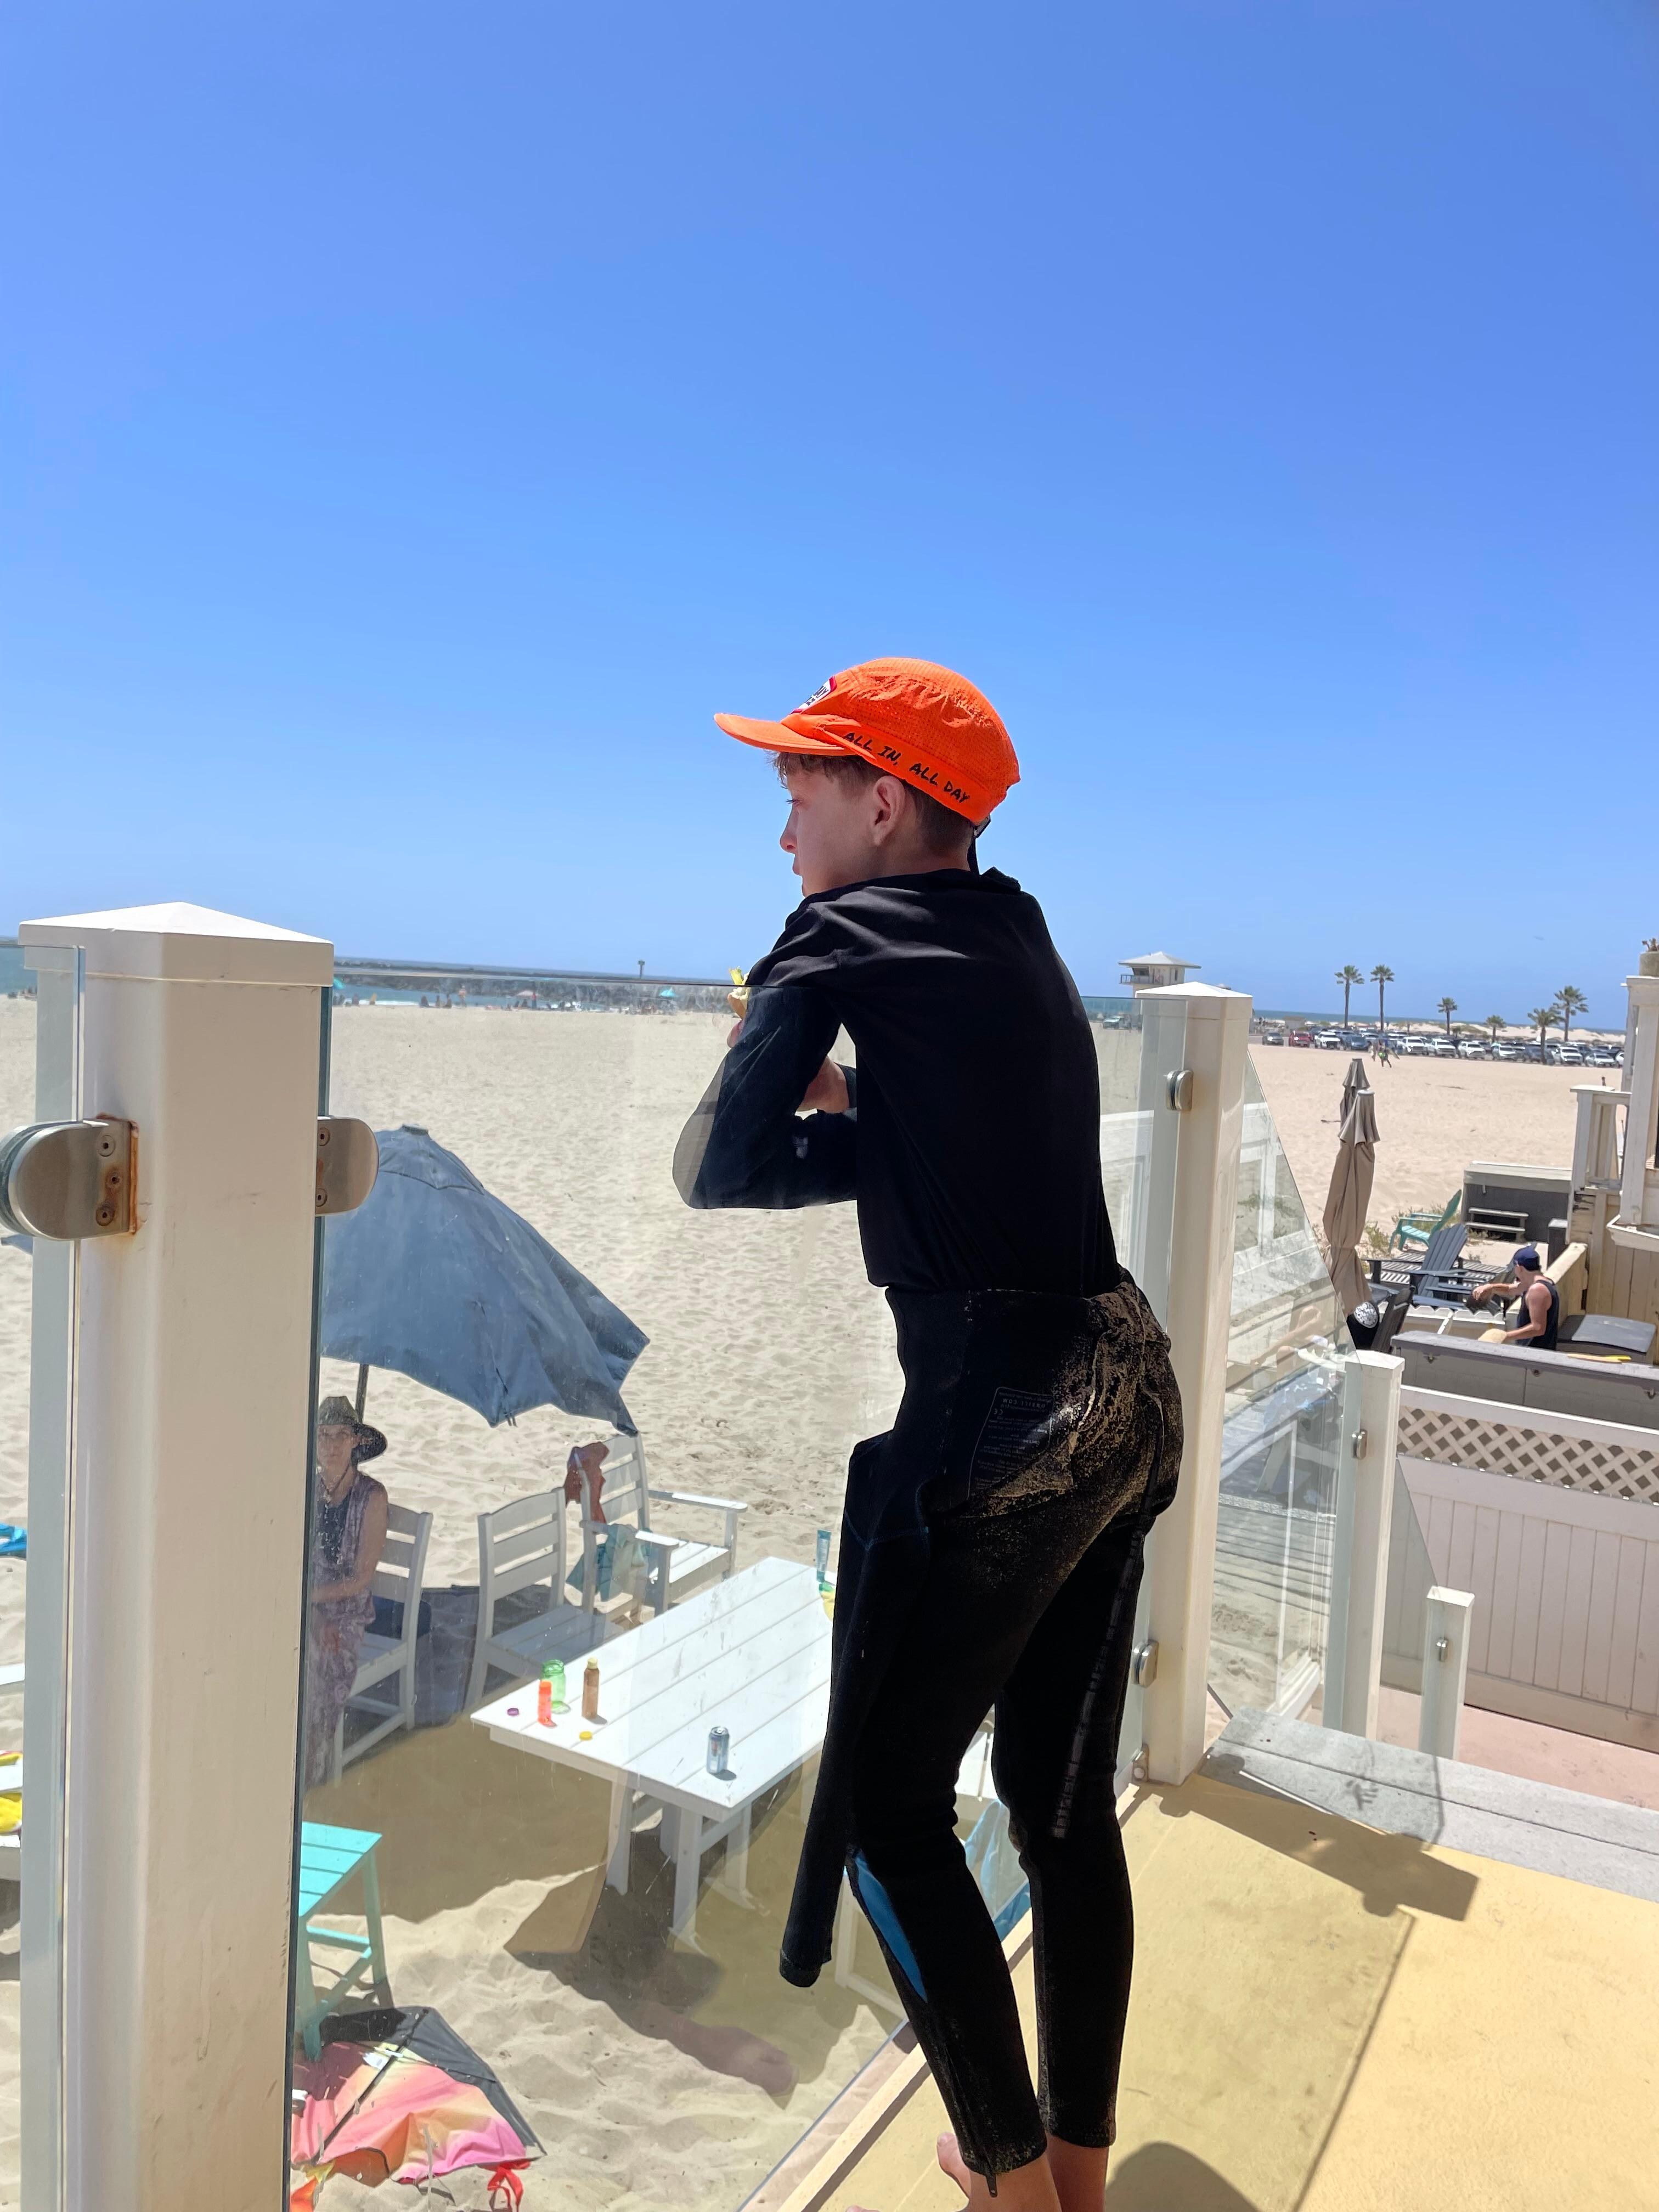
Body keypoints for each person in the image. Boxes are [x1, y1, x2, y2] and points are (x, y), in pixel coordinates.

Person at [674, 659, 1183, 2212]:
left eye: (799, 796)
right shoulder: (1012, 923)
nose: (784, 838)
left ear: (884, 802)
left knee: (893, 1816)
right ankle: (1074, 2179)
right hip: (1126, 1381)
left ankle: (1012, 2198)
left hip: (1007, 1417)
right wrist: (876, 1117)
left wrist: (806, 1077)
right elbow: (979, 1142)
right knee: (1057, 1811)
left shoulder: (838, 934)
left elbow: (718, 1164)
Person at [304, 1395, 391, 1786]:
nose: (331, 1444)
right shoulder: (306, 1488)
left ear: (356, 1440)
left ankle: (310, 1768)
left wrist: (307, 1599)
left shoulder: (372, 1496)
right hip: (307, 1605)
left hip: (347, 1612)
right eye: (323, 1435)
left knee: (315, 1660)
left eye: (341, 1434)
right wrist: (310, 1611)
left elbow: (360, 1579)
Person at [1470, 1245, 1560, 1348]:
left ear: (1519, 1268)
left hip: (1536, 1353)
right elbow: (1510, 1289)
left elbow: (1538, 1328)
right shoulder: (1541, 1283)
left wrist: (1504, 1336)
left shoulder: (1537, 1291)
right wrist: (1491, 1287)